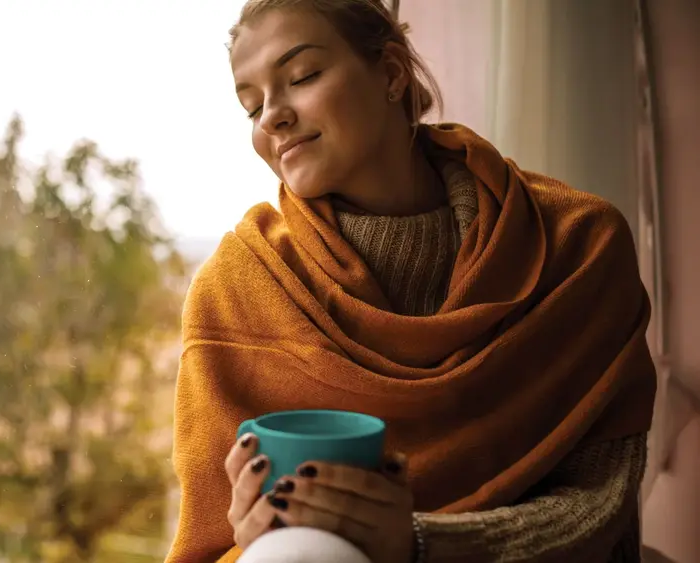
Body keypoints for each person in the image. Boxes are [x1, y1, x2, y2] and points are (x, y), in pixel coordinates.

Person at [164, 1, 657, 562]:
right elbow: (214, 543)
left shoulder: (579, 244)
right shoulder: (234, 290)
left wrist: (423, 546)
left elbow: (600, 501)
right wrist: (258, 531)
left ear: (393, 75)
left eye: (301, 77)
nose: (271, 117)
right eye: (251, 107)